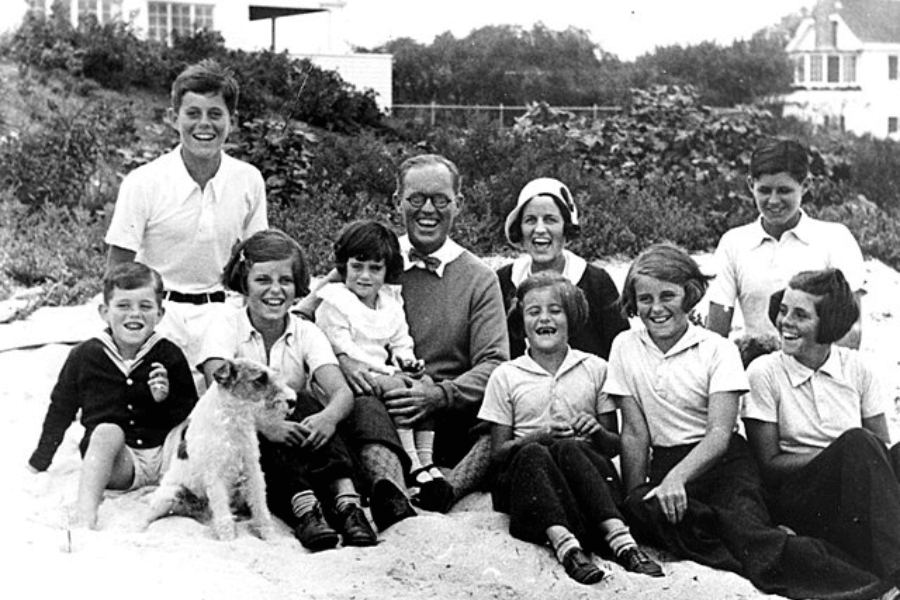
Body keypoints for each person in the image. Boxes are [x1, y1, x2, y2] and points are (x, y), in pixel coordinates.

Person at [603, 244, 887, 600]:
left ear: (689, 295)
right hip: (668, 461)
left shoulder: (715, 349)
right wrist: (634, 497)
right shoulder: (624, 346)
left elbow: (720, 434)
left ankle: (864, 584)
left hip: (723, 464)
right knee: (650, 512)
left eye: (668, 296)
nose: (656, 308)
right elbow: (634, 432)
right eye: (644, 298)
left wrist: (677, 478)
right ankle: (759, 540)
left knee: (749, 533)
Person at [324, 154, 509, 514]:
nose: (428, 209)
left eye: (440, 199)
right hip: (381, 403)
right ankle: (390, 492)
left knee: (505, 421)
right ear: (397, 201)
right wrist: (343, 361)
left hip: (447, 413)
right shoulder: (373, 258)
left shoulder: (479, 278)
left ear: (459, 203)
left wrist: (439, 395)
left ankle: (448, 490)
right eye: (416, 199)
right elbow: (307, 317)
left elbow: (494, 363)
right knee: (366, 408)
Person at [197, 229, 380, 549]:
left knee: (309, 402)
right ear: (244, 283)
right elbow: (219, 380)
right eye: (263, 280)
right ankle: (305, 509)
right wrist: (269, 426)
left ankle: (347, 502)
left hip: (298, 444)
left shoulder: (305, 332)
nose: (275, 290)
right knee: (264, 411)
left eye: (286, 280)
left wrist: (328, 418)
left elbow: (342, 392)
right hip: (241, 443)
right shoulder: (227, 324)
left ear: (298, 287)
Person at [479, 272, 663, 585]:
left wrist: (595, 431)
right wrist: (537, 437)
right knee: (536, 451)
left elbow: (612, 445)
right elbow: (498, 455)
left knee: (568, 447)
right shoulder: (506, 375)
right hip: (529, 488)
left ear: (572, 317)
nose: (544, 319)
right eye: (533, 311)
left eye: (555, 310)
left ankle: (622, 541)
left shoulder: (595, 368)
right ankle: (566, 547)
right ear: (520, 320)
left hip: (585, 486)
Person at [105, 59, 268, 382]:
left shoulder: (248, 179)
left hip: (222, 310)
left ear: (231, 121)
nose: (204, 125)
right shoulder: (143, 181)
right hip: (160, 312)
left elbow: (259, 259)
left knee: (227, 396)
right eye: (193, 113)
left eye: (215, 114)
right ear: (173, 118)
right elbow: (118, 268)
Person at [744, 268, 900, 592]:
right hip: (800, 496)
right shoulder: (765, 372)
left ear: (828, 323)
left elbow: (882, 447)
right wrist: (837, 456)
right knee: (857, 443)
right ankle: (895, 571)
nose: (785, 321)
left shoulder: (858, 368)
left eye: (800, 314)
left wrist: (850, 458)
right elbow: (768, 464)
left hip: (856, 490)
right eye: (783, 310)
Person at [28, 262, 197, 529]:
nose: (135, 314)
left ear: (160, 313)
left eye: (145, 306)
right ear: (105, 312)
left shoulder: (168, 353)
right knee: (106, 431)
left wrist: (165, 398)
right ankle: (85, 516)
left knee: (193, 427)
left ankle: (194, 495)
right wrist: (41, 458)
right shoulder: (85, 355)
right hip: (122, 464)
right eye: (123, 306)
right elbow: (61, 407)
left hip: (168, 457)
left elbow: (190, 408)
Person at [315, 220, 448, 493]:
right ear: (344, 266)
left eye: (375, 268)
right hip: (352, 375)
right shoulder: (336, 303)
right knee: (401, 387)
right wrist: (390, 373)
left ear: (387, 270)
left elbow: (401, 340)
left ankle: (426, 457)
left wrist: (407, 363)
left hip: (383, 371)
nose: (365, 276)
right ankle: (411, 460)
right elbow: (343, 349)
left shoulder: (389, 302)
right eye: (357, 266)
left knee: (427, 385)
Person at [707, 138, 864, 360]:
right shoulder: (734, 243)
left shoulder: (835, 239)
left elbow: (851, 330)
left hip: (815, 373)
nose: (773, 201)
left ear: (806, 185)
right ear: (750, 184)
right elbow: (716, 331)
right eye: (764, 190)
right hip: (755, 371)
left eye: (784, 190)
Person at [497, 177, 628, 360]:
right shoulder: (502, 282)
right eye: (530, 220)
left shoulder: (596, 283)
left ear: (566, 229)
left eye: (550, 220)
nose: (540, 229)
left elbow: (620, 352)